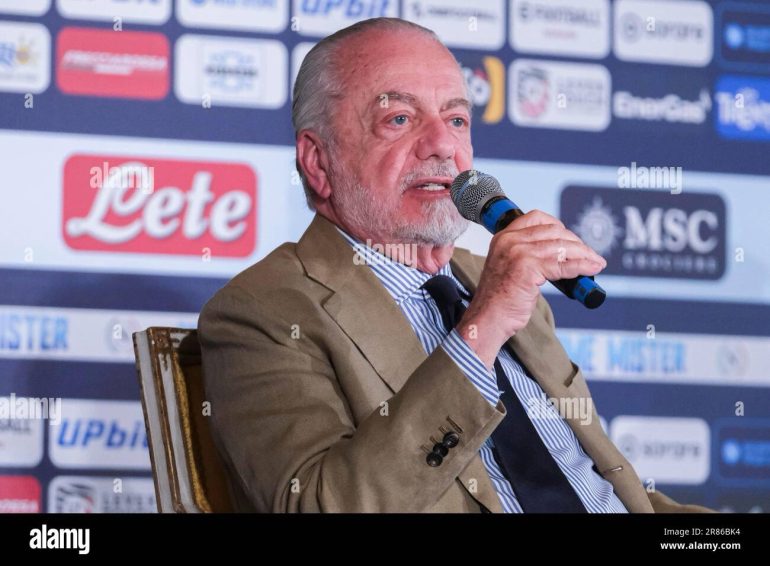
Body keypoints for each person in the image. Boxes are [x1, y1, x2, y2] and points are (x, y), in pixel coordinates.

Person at [198, 17, 712, 513]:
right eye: (399, 119)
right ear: (318, 161)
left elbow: (598, 492)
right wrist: (481, 330)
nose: (443, 144)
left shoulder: (501, 286)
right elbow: (320, 506)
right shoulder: (264, 312)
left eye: (457, 119)